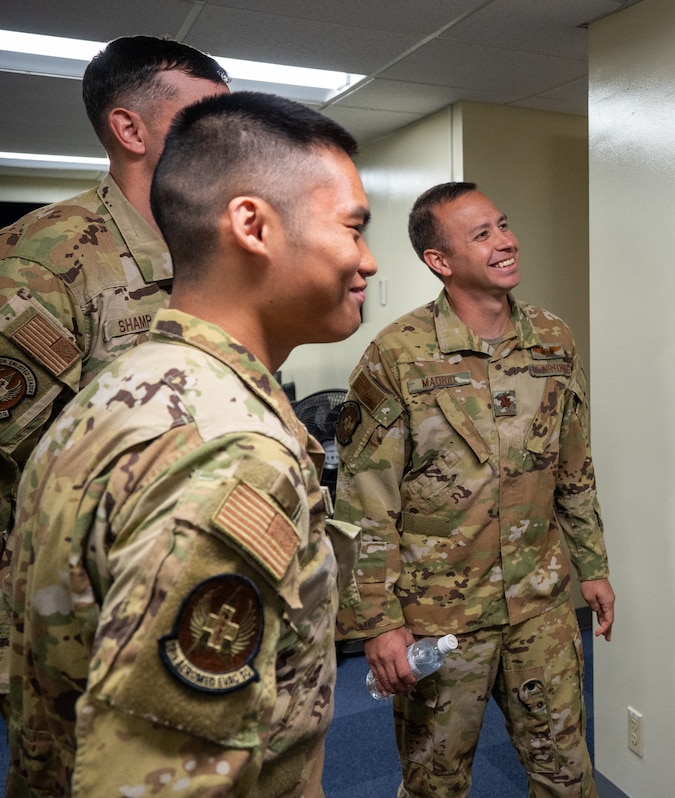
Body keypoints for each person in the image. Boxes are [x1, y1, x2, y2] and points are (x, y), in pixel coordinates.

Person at [5, 91, 377, 795]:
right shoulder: (228, 452)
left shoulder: (127, 385)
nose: (369, 261)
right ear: (252, 225)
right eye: (353, 228)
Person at [334, 181, 615, 797]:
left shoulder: (553, 340)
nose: (506, 242)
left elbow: (574, 466)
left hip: (539, 606)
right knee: (436, 784)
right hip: (439, 617)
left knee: (567, 775)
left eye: (504, 225)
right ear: (441, 261)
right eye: (481, 234)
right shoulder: (398, 356)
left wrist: (592, 566)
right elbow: (364, 503)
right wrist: (379, 623)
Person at [0, 36, 229, 712]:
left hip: (203, 581)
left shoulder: (212, 246)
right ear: (129, 127)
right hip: (86, 611)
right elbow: (31, 466)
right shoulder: (42, 258)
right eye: (203, 117)